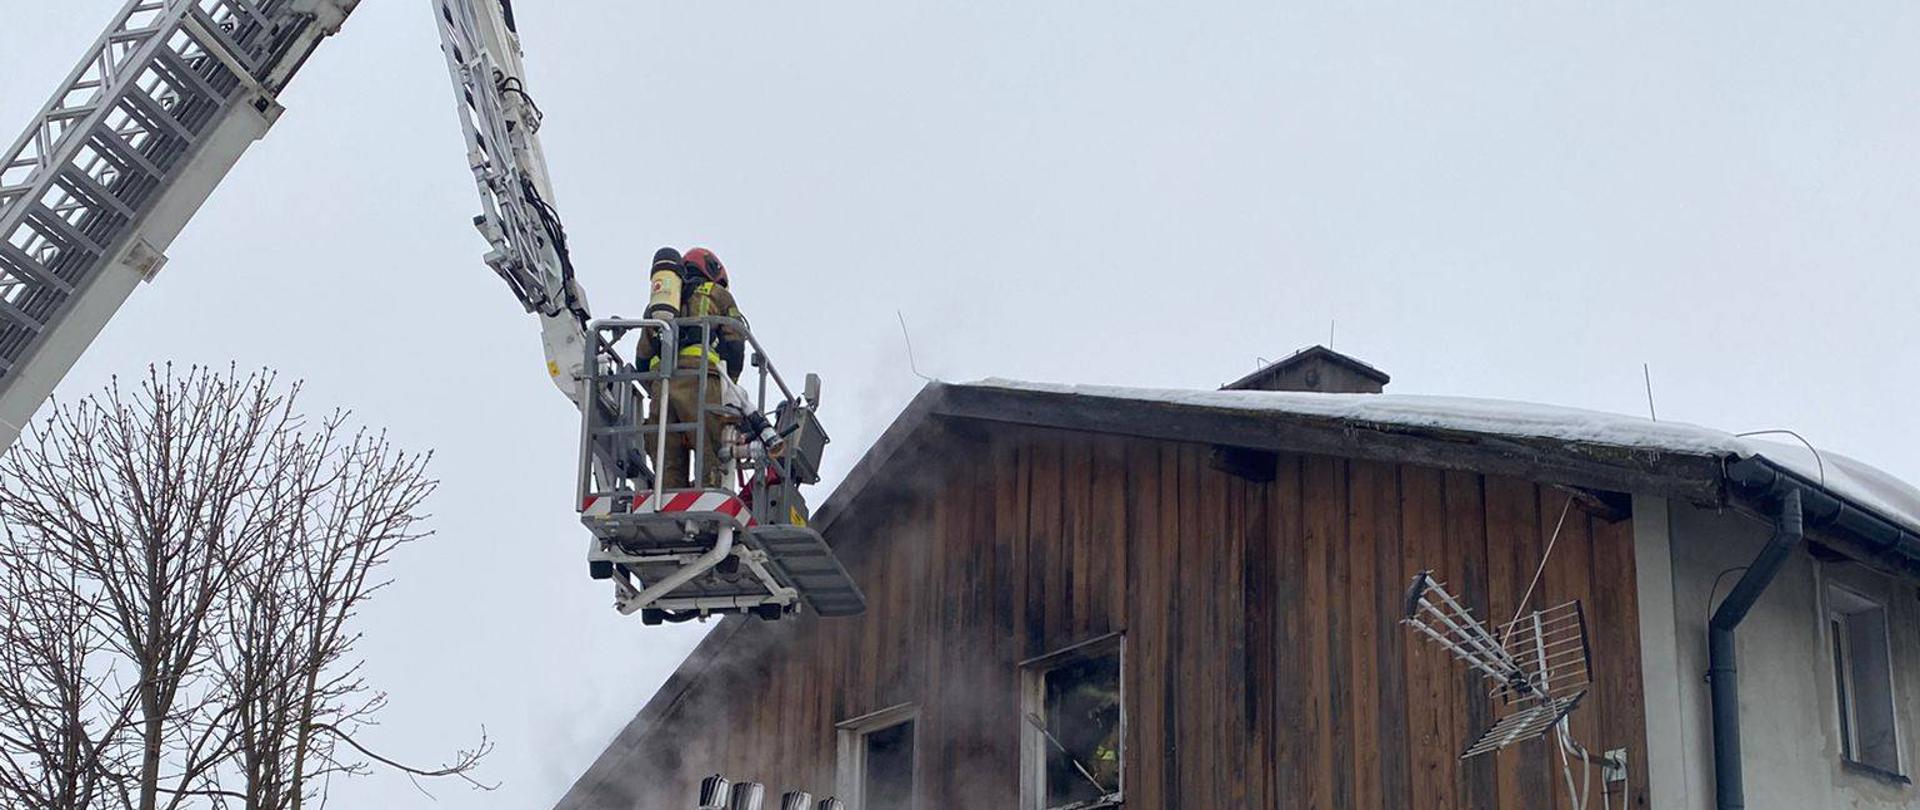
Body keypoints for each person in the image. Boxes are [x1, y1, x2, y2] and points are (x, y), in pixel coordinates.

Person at [642, 246, 748, 489]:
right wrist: (729, 386)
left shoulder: (657, 305)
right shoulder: (717, 294)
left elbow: (642, 358)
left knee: (666, 461)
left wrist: (656, 387)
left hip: (662, 387)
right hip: (702, 383)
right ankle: (710, 494)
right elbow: (735, 345)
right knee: (711, 452)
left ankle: (667, 499)